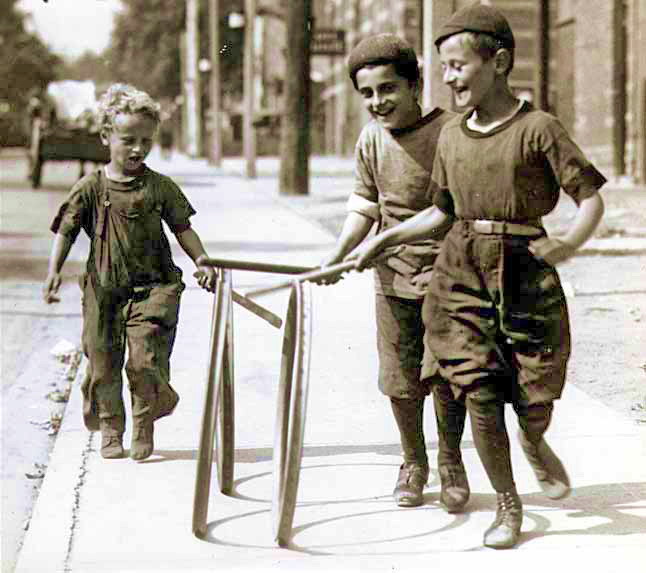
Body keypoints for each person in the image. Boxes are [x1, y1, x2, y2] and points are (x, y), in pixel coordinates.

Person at [351, 4, 606, 549]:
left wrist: (568, 243)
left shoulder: (539, 128)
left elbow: (590, 198)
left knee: (537, 392)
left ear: (500, 62)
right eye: (442, 67)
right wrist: (385, 237)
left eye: (459, 65)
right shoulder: (451, 136)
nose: (449, 77)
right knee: (478, 391)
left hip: (525, 270)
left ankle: (535, 441)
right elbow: (441, 211)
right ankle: (508, 505)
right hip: (460, 272)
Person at [320, 33, 470, 513]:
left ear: (415, 84)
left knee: (446, 374)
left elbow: (449, 211)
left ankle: (451, 463)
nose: (377, 102)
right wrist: (337, 254)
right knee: (400, 378)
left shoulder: (451, 131)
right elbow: (365, 206)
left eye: (388, 89)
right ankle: (413, 462)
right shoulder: (370, 139)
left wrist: (384, 239)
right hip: (392, 279)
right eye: (367, 94)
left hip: (449, 277)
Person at [43, 84, 217, 461]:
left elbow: (183, 228)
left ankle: (143, 422)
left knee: (144, 361)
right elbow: (67, 230)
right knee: (103, 361)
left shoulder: (159, 187)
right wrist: (53, 271)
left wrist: (201, 261)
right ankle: (110, 426)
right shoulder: (90, 187)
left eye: (146, 141)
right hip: (104, 290)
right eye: (128, 139)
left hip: (154, 287)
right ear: (106, 136)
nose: (137, 148)